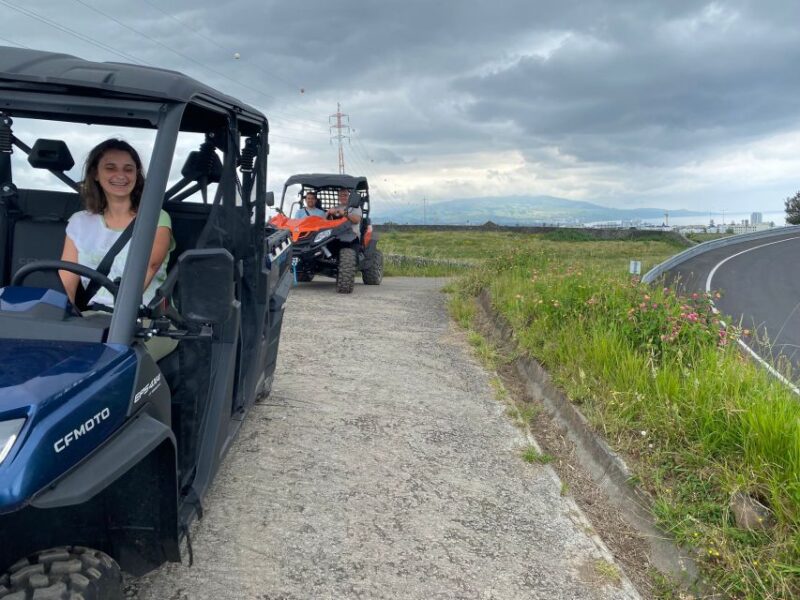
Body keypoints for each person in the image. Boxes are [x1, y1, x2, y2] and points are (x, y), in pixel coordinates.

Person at [59, 138, 176, 357]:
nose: (120, 175)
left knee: (105, 360)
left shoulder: (157, 218)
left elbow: (148, 268)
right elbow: (67, 277)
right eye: (110, 168)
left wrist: (117, 325)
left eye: (128, 169)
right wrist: (61, 319)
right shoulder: (79, 222)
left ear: (136, 175)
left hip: (145, 321)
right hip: (93, 317)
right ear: (95, 173)